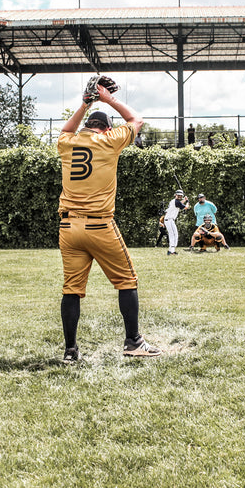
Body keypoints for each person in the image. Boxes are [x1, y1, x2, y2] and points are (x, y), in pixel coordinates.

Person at [56, 81, 160, 362]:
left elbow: (66, 129)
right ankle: (133, 341)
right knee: (127, 280)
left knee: (71, 289)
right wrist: (108, 99)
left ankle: (70, 351)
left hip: (68, 227)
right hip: (99, 225)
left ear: (87, 125)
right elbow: (136, 120)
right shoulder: (109, 140)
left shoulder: (68, 143)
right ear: (106, 128)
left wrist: (86, 102)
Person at [163, 189, 189, 256]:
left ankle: (171, 250)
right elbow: (186, 207)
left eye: (181, 195)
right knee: (173, 235)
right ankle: (171, 251)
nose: (180, 196)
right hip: (169, 219)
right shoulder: (176, 201)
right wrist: (188, 201)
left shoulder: (175, 201)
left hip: (170, 220)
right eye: (178, 195)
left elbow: (180, 204)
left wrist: (185, 200)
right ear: (175, 195)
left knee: (175, 234)